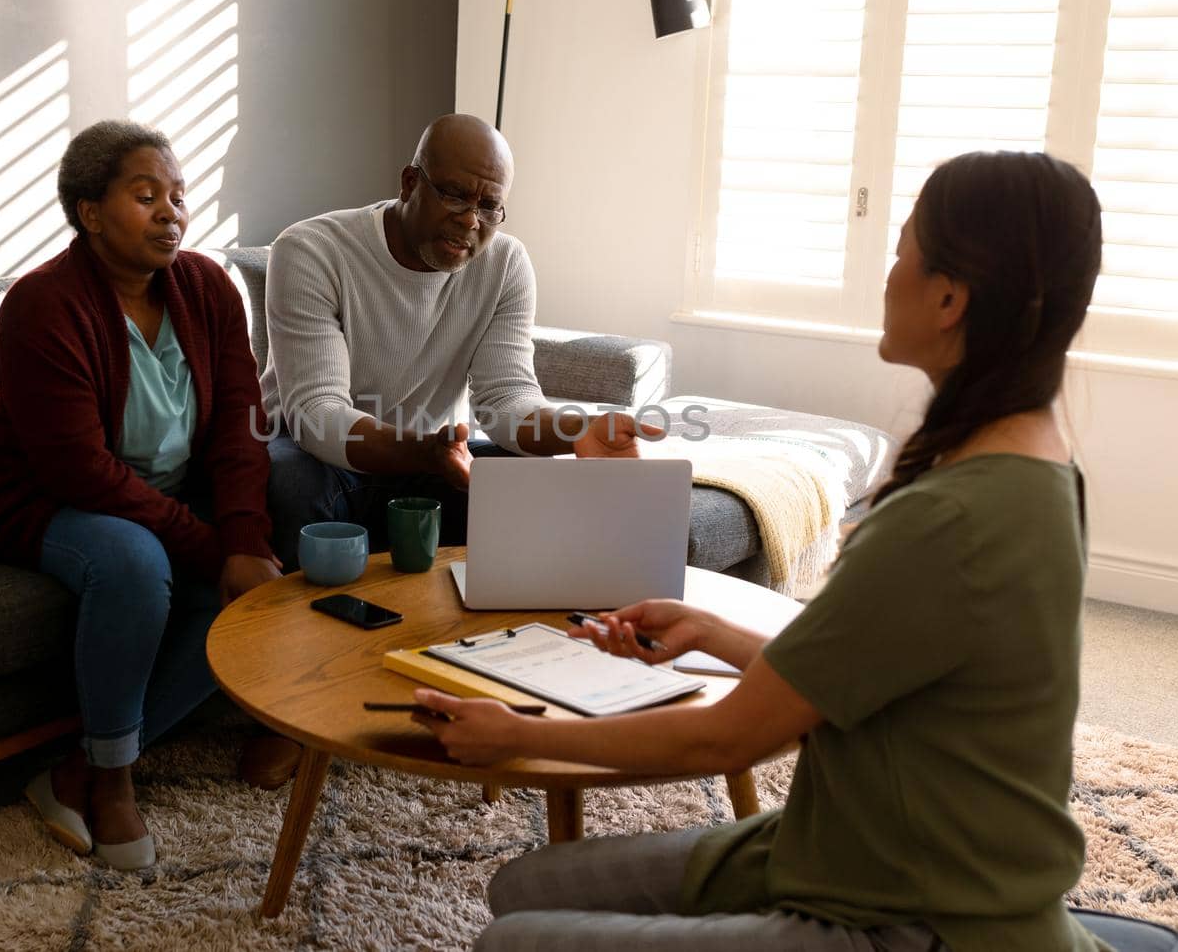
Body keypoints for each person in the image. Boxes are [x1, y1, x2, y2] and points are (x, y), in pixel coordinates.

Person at [411, 151, 1126, 951]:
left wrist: (518, 733)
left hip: (920, 916)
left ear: (950, 297)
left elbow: (728, 739)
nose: (889, 274)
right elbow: (880, 659)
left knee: (509, 941)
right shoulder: (1042, 464)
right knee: (521, 885)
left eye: (901, 252)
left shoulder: (950, 516)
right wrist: (717, 633)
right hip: (854, 849)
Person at [0, 120, 288, 870]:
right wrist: (214, 546)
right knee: (133, 561)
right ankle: (114, 782)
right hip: (46, 502)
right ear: (89, 211)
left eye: (177, 195)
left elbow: (242, 425)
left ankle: (76, 769)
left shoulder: (209, 288)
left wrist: (243, 540)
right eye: (146, 195)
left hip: (160, 497)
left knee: (241, 576)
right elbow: (80, 470)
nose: (171, 212)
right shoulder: (41, 305)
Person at [260, 113, 651, 571]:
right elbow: (317, 416)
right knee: (289, 477)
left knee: (527, 476)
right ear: (409, 183)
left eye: (489, 206)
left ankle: (497, 630)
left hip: (435, 458)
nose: (470, 220)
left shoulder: (505, 264)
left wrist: (578, 428)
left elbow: (507, 400)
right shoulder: (312, 250)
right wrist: (423, 452)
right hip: (326, 459)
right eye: (454, 195)